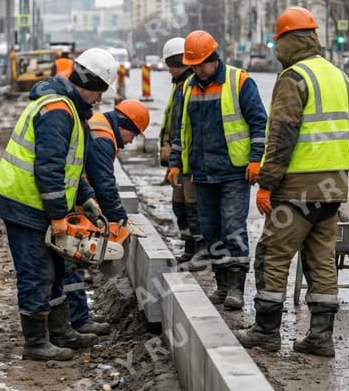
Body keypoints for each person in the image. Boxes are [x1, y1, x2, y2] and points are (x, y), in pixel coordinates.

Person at [234, 7, 349, 357]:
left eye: (277, 41)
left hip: (297, 189)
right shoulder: (339, 76)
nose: (275, 48)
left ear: (290, 40)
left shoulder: (293, 77)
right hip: (332, 186)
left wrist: (267, 184)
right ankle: (320, 336)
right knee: (321, 259)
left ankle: (266, 332)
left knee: (273, 254)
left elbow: (281, 135)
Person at [0, 48, 118, 362]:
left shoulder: (68, 107)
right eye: (100, 91)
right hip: (24, 203)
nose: (100, 100)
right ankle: (35, 343)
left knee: (57, 269)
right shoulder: (59, 109)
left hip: (36, 203)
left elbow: (70, 166)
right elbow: (49, 168)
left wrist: (85, 197)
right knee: (36, 272)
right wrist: (60, 216)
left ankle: (61, 333)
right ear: (89, 82)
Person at [168, 30, 267, 311]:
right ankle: (222, 284)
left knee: (233, 228)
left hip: (234, 172)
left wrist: (255, 159)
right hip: (201, 172)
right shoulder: (188, 87)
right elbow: (181, 130)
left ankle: (236, 287)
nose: (198, 70)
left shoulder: (239, 82)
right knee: (210, 231)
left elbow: (260, 123)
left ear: (214, 59)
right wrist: (176, 163)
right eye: (193, 65)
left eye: (201, 64)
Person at [64, 98, 149, 336]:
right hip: (73, 200)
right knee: (72, 260)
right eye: (133, 135)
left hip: (76, 197)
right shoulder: (103, 137)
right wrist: (120, 219)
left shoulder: (100, 124)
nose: (131, 141)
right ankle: (79, 320)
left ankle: (77, 315)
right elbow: (104, 184)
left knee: (71, 261)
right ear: (125, 125)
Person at [158, 37, 204, 267]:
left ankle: (200, 251)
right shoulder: (179, 85)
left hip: (191, 160)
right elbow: (174, 121)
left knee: (193, 207)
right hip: (179, 157)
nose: (169, 69)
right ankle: (189, 247)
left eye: (172, 64)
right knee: (181, 206)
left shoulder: (189, 86)